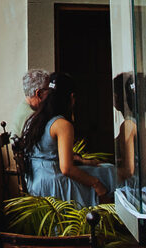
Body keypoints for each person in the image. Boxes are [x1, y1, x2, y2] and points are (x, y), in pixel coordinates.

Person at [16, 71, 118, 205]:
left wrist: (85, 162)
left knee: (106, 170)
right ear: (71, 97)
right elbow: (67, 169)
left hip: (37, 182)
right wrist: (96, 183)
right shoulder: (62, 125)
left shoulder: (34, 120)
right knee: (107, 178)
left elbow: (49, 154)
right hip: (53, 184)